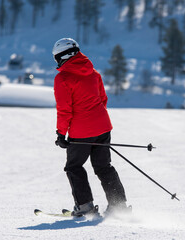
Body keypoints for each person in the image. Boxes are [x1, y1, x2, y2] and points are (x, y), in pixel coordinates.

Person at [52, 38, 129, 216]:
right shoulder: (94, 73)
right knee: (104, 166)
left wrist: (61, 134)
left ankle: (85, 206)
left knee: (74, 167)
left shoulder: (63, 78)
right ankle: (118, 206)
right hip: (103, 127)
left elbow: (64, 110)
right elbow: (103, 100)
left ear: (63, 57)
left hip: (81, 133)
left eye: (56, 58)